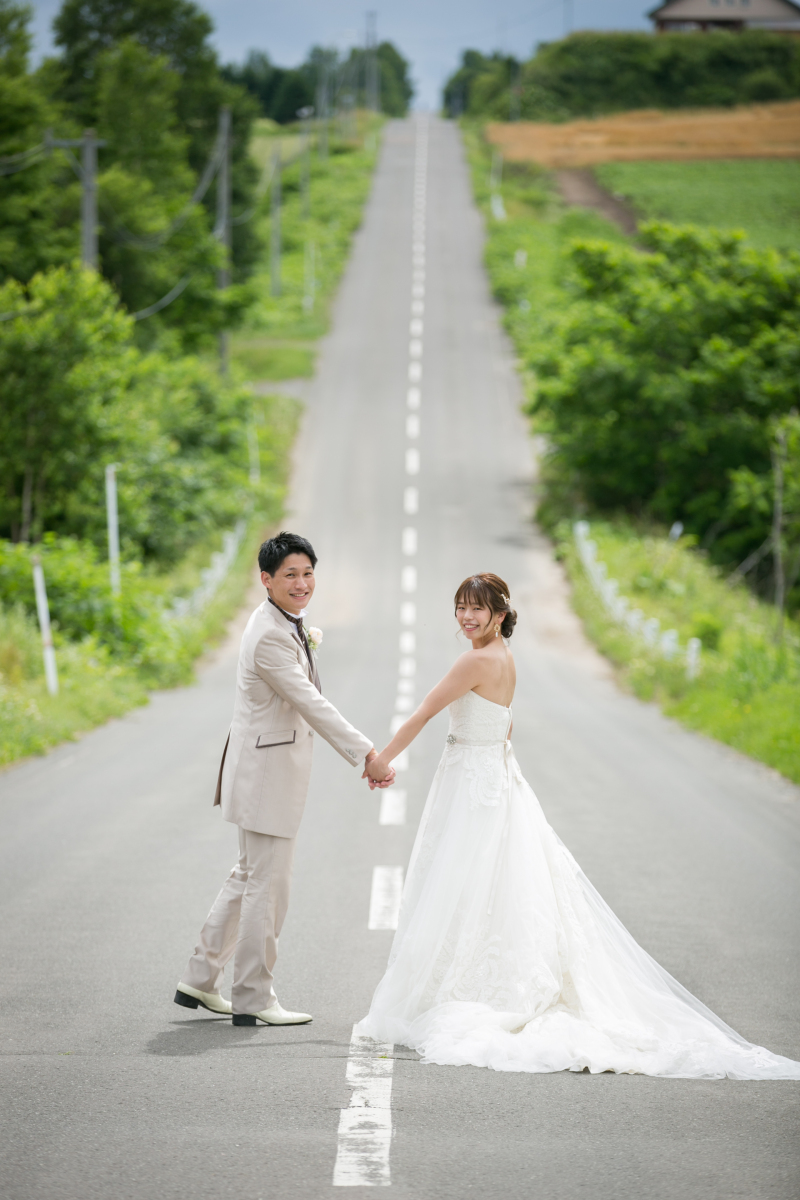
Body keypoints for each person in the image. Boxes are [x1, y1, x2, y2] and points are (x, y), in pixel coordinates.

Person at [357, 572, 800, 1079]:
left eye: (477, 609)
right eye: (460, 607)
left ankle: (456, 989)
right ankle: (475, 979)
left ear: (499, 615)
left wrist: (381, 760)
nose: (466, 617)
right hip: (494, 777)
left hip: (472, 782)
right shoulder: (503, 657)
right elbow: (503, 724)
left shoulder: (475, 659)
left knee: (465, 878)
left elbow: (424, 713)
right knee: (491, 881)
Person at [175, 532, 394, 1027]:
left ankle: (200, 976)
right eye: (290, 575)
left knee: (249, 877)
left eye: (308, 573)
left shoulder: (277, 618)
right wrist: (366, 754)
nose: (302, 583)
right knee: (268, 887)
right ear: (266, 580)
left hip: (259, 767)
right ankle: (253, 995)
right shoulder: (272, 634)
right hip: (266, 773)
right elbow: (309, 703)